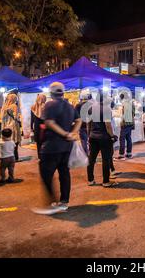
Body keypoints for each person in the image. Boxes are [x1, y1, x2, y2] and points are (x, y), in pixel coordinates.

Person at [34, 82, 81, 215]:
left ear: (51, 92)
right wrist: (72, 133)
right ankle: (64, 201)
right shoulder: (69, 106)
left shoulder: (50, 105)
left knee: (46, 175)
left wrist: (65, 133)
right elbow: (79, 120)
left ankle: (52, 203)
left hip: (51, 147)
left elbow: (49, 122)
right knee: (64, 173)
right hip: (66, 147)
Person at [87, 91, 119, 187]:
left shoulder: (90, 108)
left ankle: (90, 180)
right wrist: (112, 136)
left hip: (93, 136)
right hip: (104, 137)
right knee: (106, 159)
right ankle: (105, 181)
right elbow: (108, 125)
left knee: (91, 159)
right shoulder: (106, 109)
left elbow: (88, 124)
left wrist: (89, 134)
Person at [2, 93, 22, 161]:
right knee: (15, 141)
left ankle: (8, 156)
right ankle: (15, 157)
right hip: (13, 125)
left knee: (8, 142)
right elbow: (16, 116)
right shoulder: (14, 106)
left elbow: (3, 118)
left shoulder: (4, 107)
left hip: (6, 126)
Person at [117, 93, 135, 160]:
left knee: (122, 138)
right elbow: (133, 113)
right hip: (130, 123)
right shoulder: (131, 103)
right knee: (128, 138)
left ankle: (121, 155)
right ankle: (129, 153)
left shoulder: (125, 104)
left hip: (125, 123)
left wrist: (121, 122)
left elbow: (124, 115)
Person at [30, 94, 47, 158]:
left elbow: (32, 119)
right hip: (45, 126)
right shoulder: (46, 106)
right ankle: (45, 155)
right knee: (45, 141)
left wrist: (31, 127)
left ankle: (40, 156)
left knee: (38, 142)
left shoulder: (33, 107)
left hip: (37, 127)